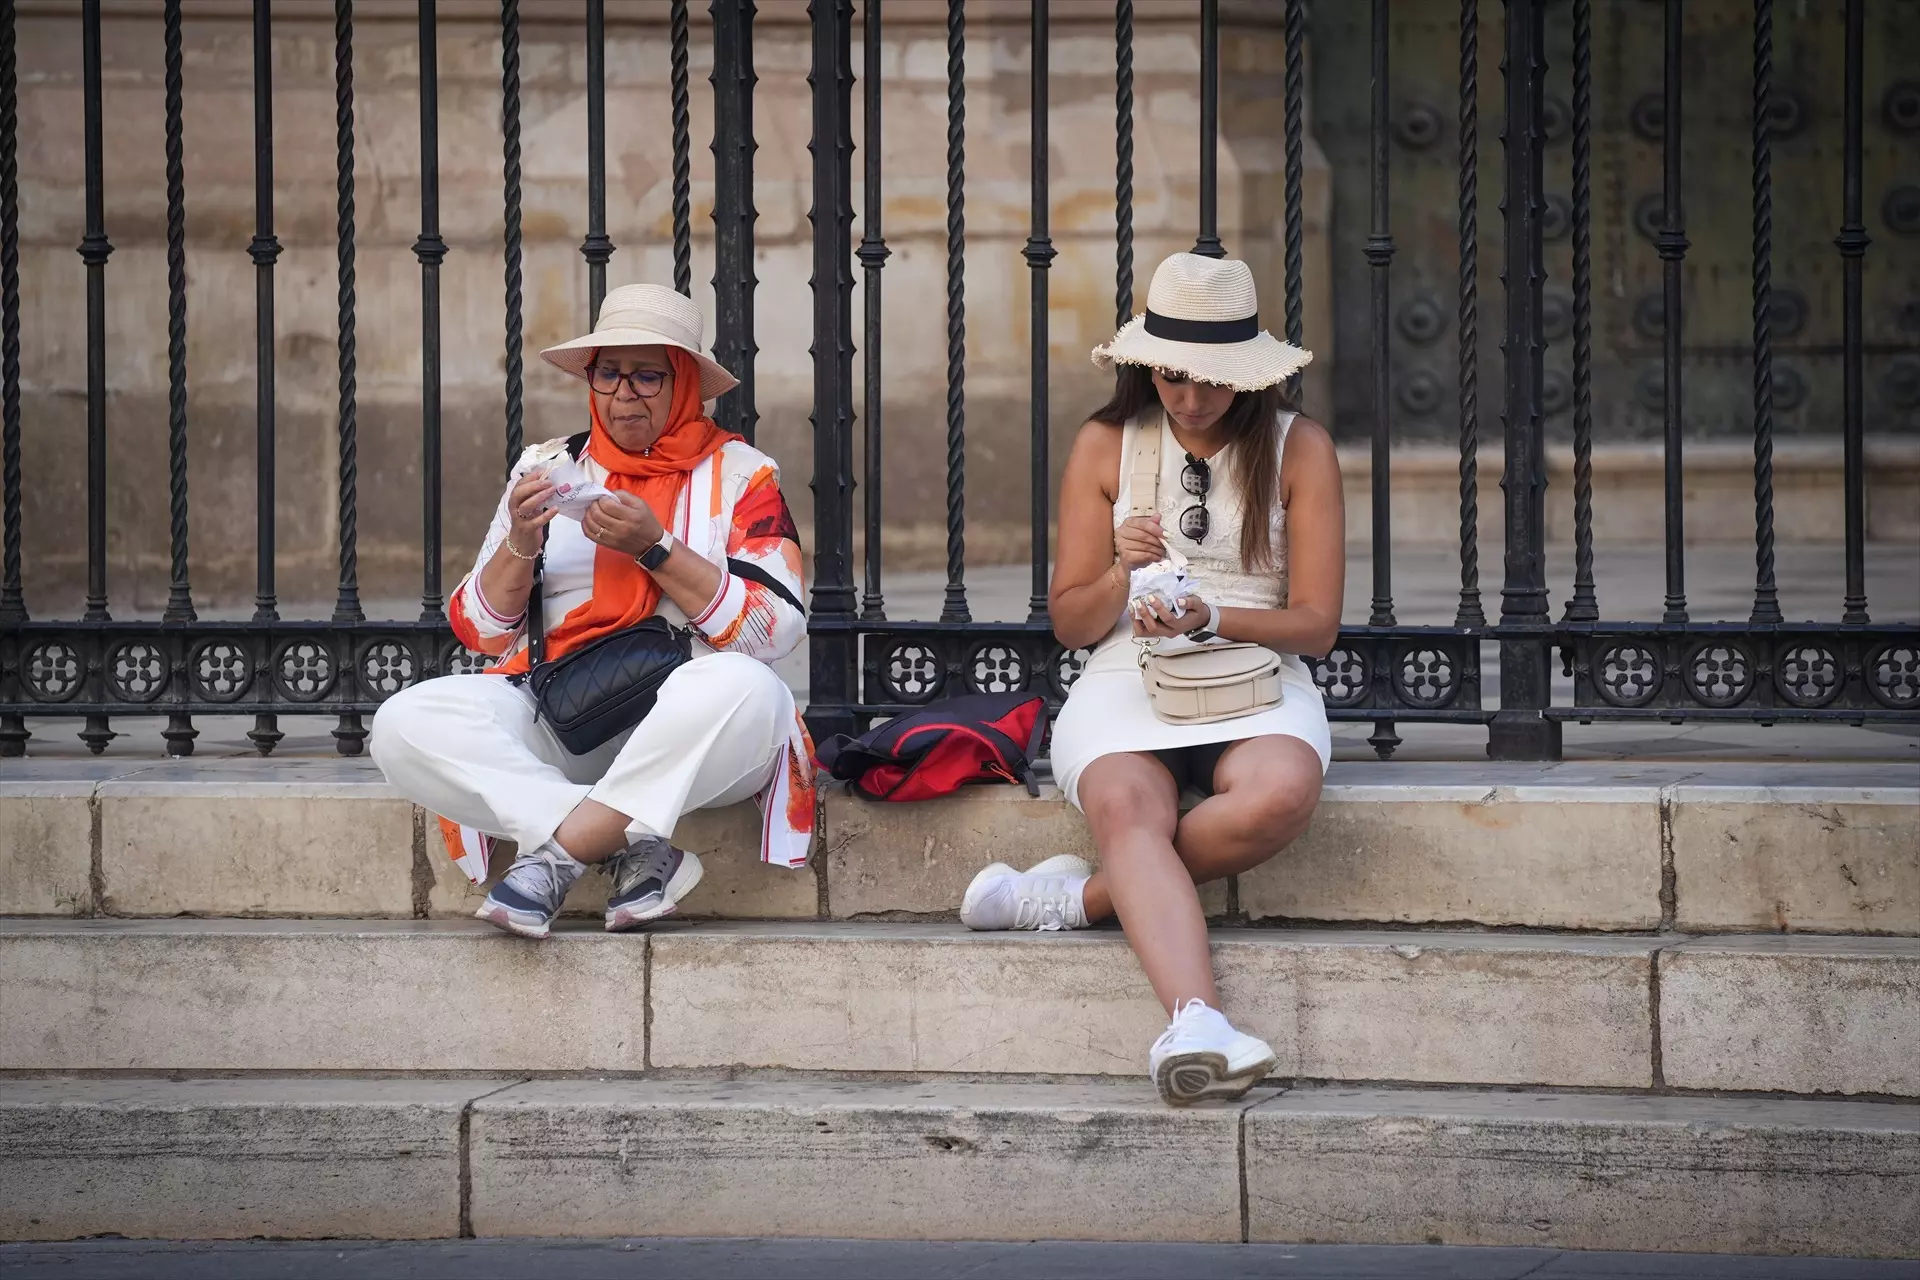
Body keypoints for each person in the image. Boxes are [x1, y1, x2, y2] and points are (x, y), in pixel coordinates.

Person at [958, 253, 1343, 1106]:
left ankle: (1077, 900)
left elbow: (1317, 624)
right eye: (1173, 375)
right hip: (1126, 675)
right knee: (1131, 808)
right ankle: (1197, 1019)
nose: (1191, 398)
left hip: (1254, 672)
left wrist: (1213, 615)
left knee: (1279, 793)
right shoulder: (1107, 444)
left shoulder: (1298, 448)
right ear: (1148, 366)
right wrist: (1122, 580)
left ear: (1248, 373)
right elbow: (1070, 620)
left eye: (1211, 379)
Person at [370, 283, 814, 938]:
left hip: (692, 738)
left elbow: (775, 628)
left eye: (645, 377)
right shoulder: (549, 466)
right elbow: (482, 632)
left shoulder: (743, 475)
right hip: (567, 716)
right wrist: (521, 542)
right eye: (609, 374)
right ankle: (632, 843)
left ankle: (558, 856)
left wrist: (656, 548)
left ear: (684, 383)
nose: (623, 395)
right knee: (403, 723)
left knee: (750, 690)